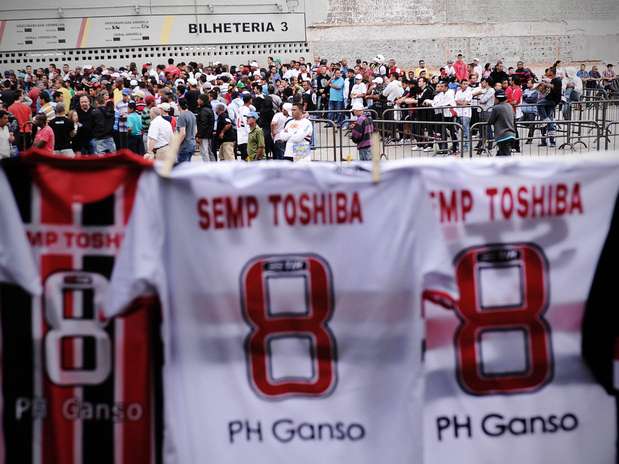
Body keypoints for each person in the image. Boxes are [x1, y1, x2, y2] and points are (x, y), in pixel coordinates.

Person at [488, 89, 517, 156]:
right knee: (501, 154)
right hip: (511, 134)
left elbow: (490, 121)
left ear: (497, 99)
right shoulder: (510, 106)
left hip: (503, 136)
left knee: (506, 156)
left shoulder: (497, 108)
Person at [176, 99, 197, 164]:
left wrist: (177, 144)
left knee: (182, 168)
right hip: (192, 144)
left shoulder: (182, 116)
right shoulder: (192, 114)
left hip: (184, 146)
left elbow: (182, 133)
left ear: (179, 106)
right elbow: (196, 131)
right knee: (187, 167)